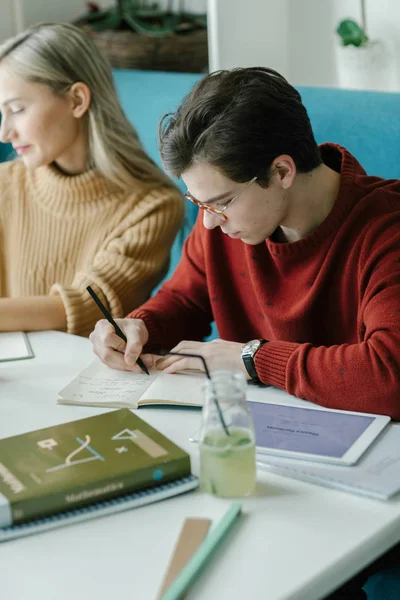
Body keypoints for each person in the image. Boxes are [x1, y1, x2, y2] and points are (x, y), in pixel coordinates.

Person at [90, 66, 400, 599]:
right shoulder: (228, 226)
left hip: (361, 491)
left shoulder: (387, 228)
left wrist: (252, 358)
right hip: (257, 465)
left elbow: (388, 374)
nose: (209, 223)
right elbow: (185, 298)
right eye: (198, 205)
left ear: (281, 170)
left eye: (222, 202)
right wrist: (135, 327)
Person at [0, 23, 184, 337]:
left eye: (17, 109)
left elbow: (92, 305)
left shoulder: (152, 207)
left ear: (76, 100)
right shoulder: (6, 183)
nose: (5, 132)